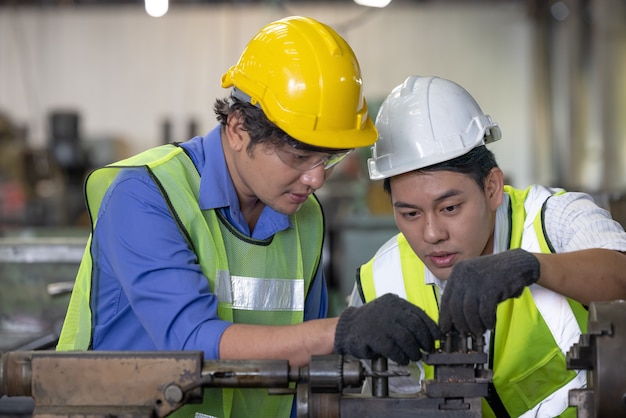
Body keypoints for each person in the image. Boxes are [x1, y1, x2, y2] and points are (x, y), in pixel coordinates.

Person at [56, 17, 441, 418]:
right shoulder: (145, 194)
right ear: (238, 129)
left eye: (329, 158)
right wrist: (342, 330)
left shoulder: (305, 218)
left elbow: (305, 368)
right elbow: (190, 340)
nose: (315, 179)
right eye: (298, 156)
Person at [352, 75, 626, 417]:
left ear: (493, 187)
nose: (432, 233)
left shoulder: (551, 219)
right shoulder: (380, 281)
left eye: (450, 208)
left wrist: (531, 267)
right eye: (409, 213)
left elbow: (620, 275)